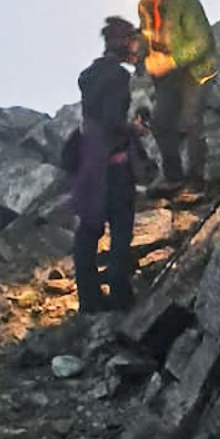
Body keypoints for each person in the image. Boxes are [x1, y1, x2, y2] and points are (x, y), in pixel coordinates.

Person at [71, 16, 144, 314]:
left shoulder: (89, 75)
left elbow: (97, 119)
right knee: (121, 227)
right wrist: (134, 129)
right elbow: (114, 122)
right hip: (113, 166)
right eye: (132, 41)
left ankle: (88, 299)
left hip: (88, 164)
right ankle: (120, 294)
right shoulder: (118, 77)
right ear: (124, 42)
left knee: (89, 230)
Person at [129, 0, 216, 195]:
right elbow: (146, 34)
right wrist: (139, 48)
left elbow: (202, 41)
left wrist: (171, 60)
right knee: (160, 122)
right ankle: (174, 177)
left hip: (195, 71)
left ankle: (198, 182)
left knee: (191, 120)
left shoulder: (184, 0)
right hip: (166, 75)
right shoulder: (144, 7)